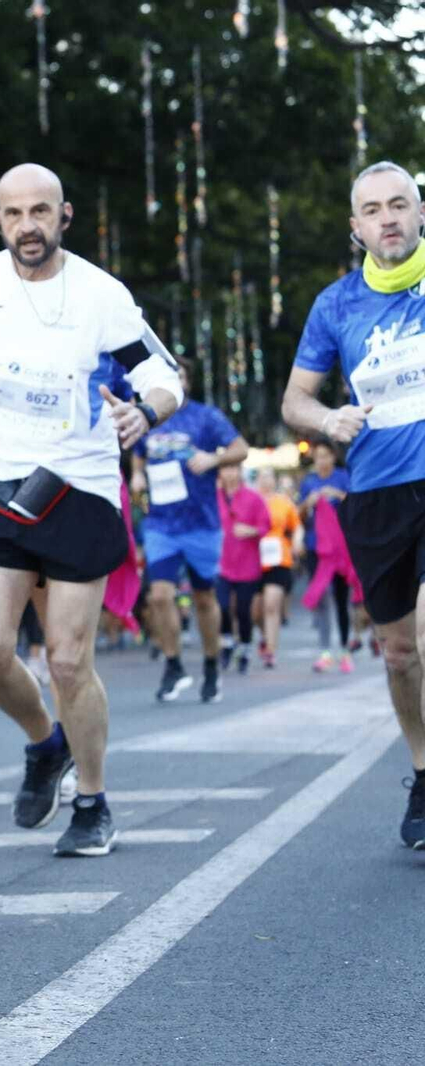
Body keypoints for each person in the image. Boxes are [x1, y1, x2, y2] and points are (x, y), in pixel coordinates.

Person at [0, 163, 183, 859]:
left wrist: (144, 412)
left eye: (41, 213)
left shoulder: (102, 296)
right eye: (14, 214)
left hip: (79, 488)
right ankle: (47, 745)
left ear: (64, 216)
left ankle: (94, 800)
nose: (28, 227)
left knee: (70, 659)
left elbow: (163, 376)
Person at [282, 160, 425, 846]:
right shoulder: (336, 304)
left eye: (400, 204)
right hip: (376, 495)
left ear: (421, 212)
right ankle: (424, 775)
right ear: (356, 227)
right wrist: (325, 421)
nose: (388, 218)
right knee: (400, 653)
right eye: (373, 210)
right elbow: (295, 401)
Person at [130, 359, 249, 702]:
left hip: (201, 524)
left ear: (187, 383)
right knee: (160, 596)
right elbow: (138, 454)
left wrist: (214, 460)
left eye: (179, 377)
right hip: (161, 524)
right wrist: (137, 474)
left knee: (204, 599)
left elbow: (241, 449)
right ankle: (173, 664)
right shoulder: (148, 417)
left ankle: (211, 666)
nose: (173, 382)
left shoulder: (206, 416)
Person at [298, 439, 354, 670]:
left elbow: (356, 505)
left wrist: (338, 495)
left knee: (342, 599)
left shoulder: (343, 477)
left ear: (333, 456)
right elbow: (299, 516)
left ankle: (344, 648)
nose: (322, 460)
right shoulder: (309, 482)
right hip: (316, 548)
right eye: (318, 456)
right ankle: (324, 651)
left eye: (326, 455)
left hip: (341, 548)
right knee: (321, 598)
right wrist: (308, 504)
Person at [216, 460, 271, 676]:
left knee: (243, 609)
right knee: (221, 606)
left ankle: (246, 648)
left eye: (233, 469)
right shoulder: (213, 497)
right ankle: (228, 641)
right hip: (220, 562)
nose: (229, 473)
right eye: (225, 468)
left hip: (247, 563)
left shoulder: (253, 498)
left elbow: (266, 526)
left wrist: (250, 531)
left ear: (240, 471)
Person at [255, 466, 300, 668]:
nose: (265, 481)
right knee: (255, 611)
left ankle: (271, 650)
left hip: (278, 558)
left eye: (269, 477)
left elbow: (297, 526)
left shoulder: (283, 502)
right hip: (252, 559)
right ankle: (264, 636)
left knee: (272, 605)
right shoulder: (250, 500)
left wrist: (298, 541)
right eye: (262, 478)